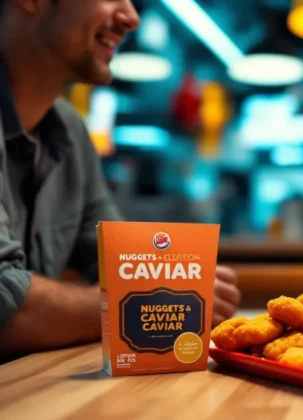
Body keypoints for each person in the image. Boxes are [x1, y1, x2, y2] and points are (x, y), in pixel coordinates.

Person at [0, 0, 241, 358]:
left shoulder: (68, 131)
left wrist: (181, 278)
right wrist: (154, 306)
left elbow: (120, 262)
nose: (131, 18)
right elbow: (5, 306)